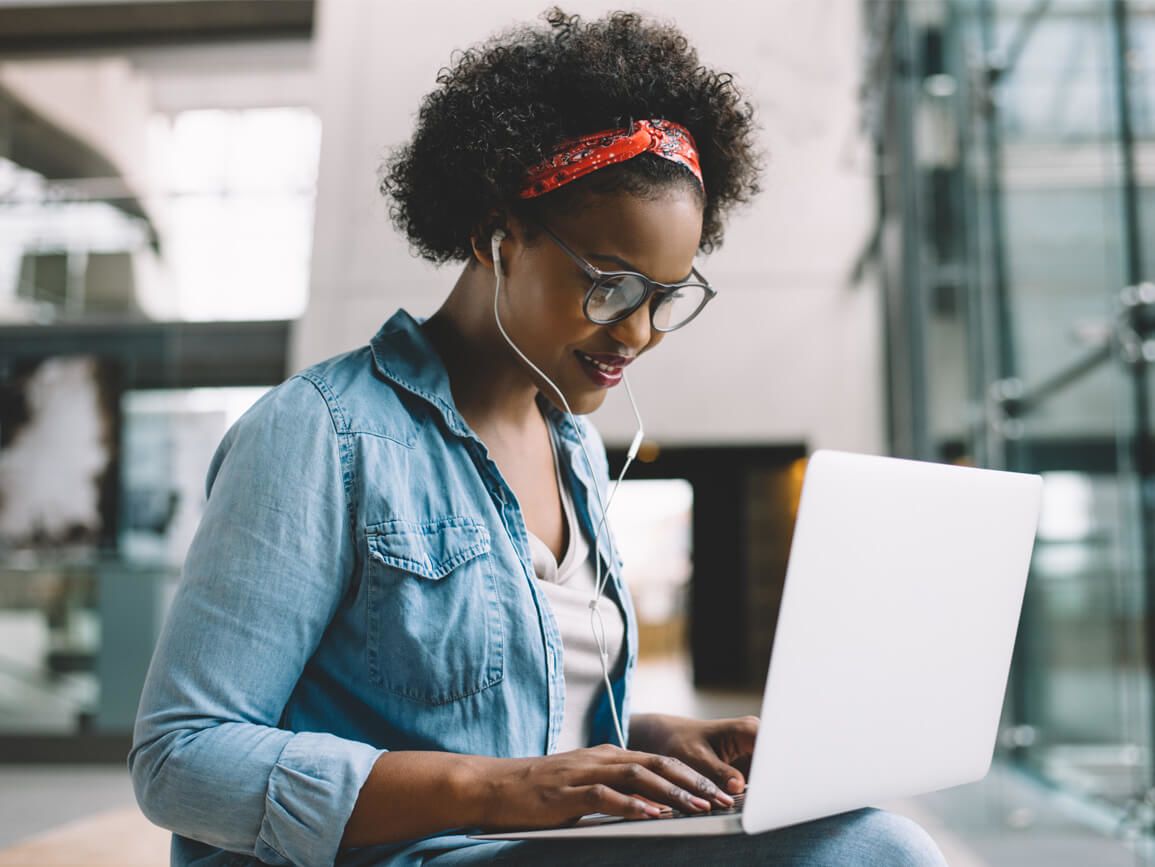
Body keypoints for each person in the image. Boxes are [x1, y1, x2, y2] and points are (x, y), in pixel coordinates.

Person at [130, 8, 949, 866]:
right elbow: (180, 757)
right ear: (498, 236)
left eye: (667, 297)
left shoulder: (573, 450)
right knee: (873, 852)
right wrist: (496, 789)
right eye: (608, 288)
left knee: (859, 838)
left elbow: (518, 705)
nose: (636, 334)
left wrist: (654, 744)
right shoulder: (318, 436)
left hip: (534, 846)